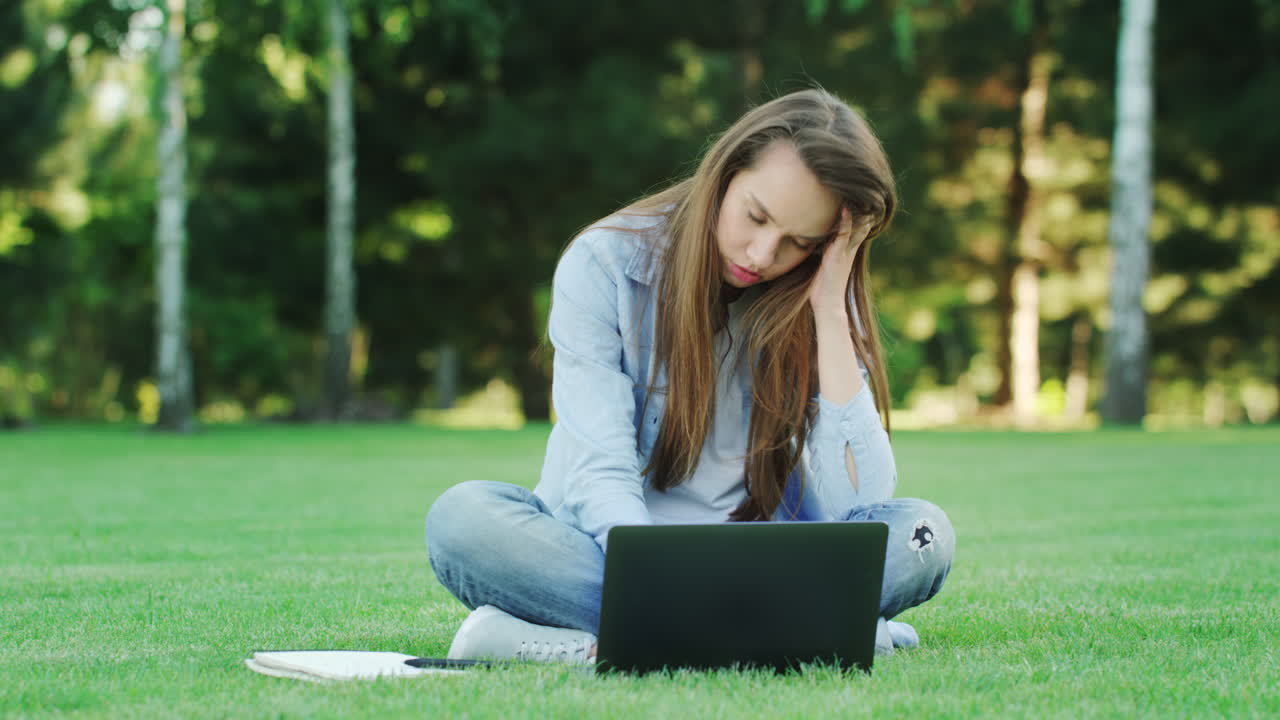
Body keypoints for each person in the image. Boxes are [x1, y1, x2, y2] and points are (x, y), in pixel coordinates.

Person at [425, 88, 954, 665]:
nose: (761, 253)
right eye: (755, 216)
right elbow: (598, 465)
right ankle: (807, 629)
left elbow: (865, 503)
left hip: (764, 558)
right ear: (725, 174)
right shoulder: (603, 264)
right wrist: (660, 577)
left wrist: (829, 308)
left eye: (798, 243)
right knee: (462, 519)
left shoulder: (818, 291)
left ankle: (590, 643)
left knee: (924, 533)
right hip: (616, 553)